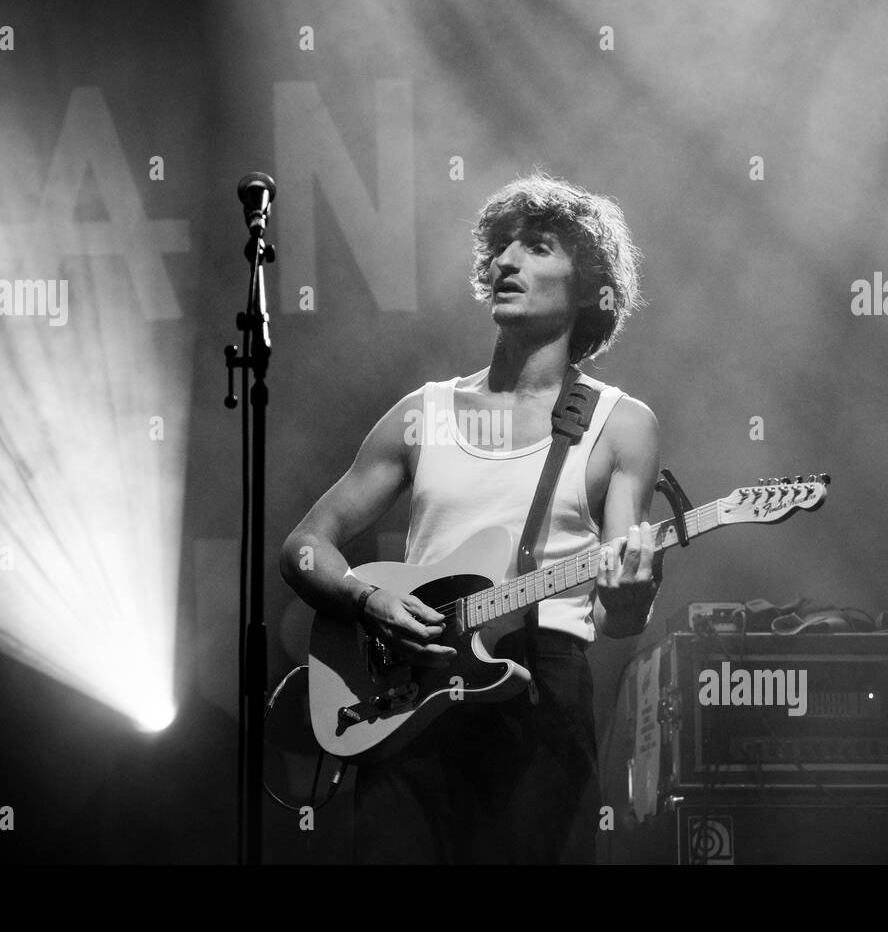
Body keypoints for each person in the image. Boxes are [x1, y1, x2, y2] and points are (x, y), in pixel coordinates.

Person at [280, 171, 665, 863]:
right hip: (409, 690)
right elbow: (306, 547)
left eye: (538, 246)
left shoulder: (620, 424)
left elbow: (618, 617)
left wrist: (633, 597)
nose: (507, 261)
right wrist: (367, 599)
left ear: (588, 286)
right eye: (502, 247)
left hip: (543, 689)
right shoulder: (418, 414)